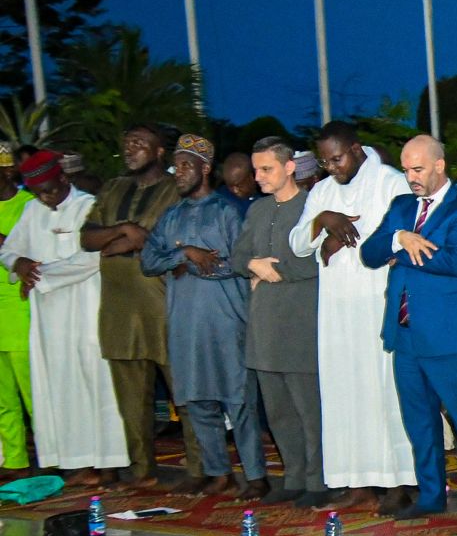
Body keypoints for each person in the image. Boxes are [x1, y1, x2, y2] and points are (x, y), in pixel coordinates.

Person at [361, 135, 457, 527]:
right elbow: (369, 252)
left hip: (449, 337)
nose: (410, 177)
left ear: (439, 166)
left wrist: (406, 252)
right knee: (419, 422)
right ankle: (431, 495)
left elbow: (456, 262)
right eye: (407, 168)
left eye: (418, 169)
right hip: (405, 335)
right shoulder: (402, 207)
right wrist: (397, 238)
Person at [288, 121, 417, 512]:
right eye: (325, 161)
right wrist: (323, 220)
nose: (332, 167)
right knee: (344, 393)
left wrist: (340, 240)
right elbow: (296, 244)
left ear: (357, 149)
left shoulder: (390, 182)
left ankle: (399, 483)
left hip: (376, 301)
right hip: (336, 310)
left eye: (338, 158)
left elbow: (402, 232)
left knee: (385, 392)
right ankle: (356, 482)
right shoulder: (323, 191)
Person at [139, 135, 269, 500]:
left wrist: (199, 265)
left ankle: (257, 476)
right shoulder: (171, 216)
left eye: (185, 166)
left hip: (226, 320)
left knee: (238, 399)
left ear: (205, 169)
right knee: (197, 401)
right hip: (184, 323)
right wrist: (186, 255)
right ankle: (218, 473)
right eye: (175, 166)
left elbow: (240, 264)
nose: (177, 173)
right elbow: (148, 261)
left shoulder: (227, 212)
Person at [80, 124, 203, 488]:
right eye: (127, 142)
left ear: (159, 151)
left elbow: (181, 247)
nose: (130, 149)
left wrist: (137, 243)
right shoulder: (113, 187)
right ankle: (141, 470)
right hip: (118, 308)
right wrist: (127, 229)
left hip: (164, 305)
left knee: (185, 393)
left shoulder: (174, 189)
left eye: (139, 144)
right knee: (131, 400)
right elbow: (87, 238)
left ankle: (201, 470)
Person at [0, 151, 129, 485]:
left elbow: (92, 258)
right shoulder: (32, 210)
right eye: (39, 191)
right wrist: (19, 265)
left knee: (97, 384)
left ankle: (109, 464)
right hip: (48, 317)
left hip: (87, 307)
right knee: (60, 387)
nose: (46, 197)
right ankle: (78, 463)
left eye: (50, 190)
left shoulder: (87, 207)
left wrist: (40, 275)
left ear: (63, 179)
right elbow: (8, 249)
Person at [233, 137, 326, 507]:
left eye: (266, 169)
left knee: (310, 410)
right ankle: (294, 476)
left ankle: (318, 482)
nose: (258, 177)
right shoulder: (257, 211)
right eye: (256, 169)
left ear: (290, 168)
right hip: (264, 326)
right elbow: (239, 254)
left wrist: (278, 271)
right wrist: (254, 265)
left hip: (301, 322)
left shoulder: (312, 206)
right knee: (278, 412)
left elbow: (318, 259)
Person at [0, 146, 33, 475]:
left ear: (8, 172)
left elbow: (30, 252)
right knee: (2, 398)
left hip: (20, 309)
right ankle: (15, 460)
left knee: (33, 393)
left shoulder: (28, 206)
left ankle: (54, 458)